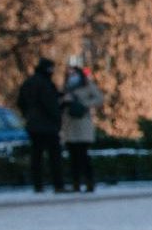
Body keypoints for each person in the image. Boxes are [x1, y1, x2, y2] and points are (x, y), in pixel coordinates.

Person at [16, 57, 65, 192]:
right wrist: (57, 118)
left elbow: (21, 102)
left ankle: (38, 185)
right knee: (54, 156)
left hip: (33, 125)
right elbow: (50, 105)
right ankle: (58, 184)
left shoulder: (29, 83)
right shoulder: (46, 84)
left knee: (36, 156)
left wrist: (27, 115)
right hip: (47, 126)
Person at [60, 64, 105, 193]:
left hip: (82, 124)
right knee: (73, 158)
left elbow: (99, 98)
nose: (72, 76)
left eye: (74, 73)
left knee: (83, 156)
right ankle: (76, 183)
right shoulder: (66, 88)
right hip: (69, 125)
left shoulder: (87, 85)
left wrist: (83, 104)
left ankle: (89, 182)